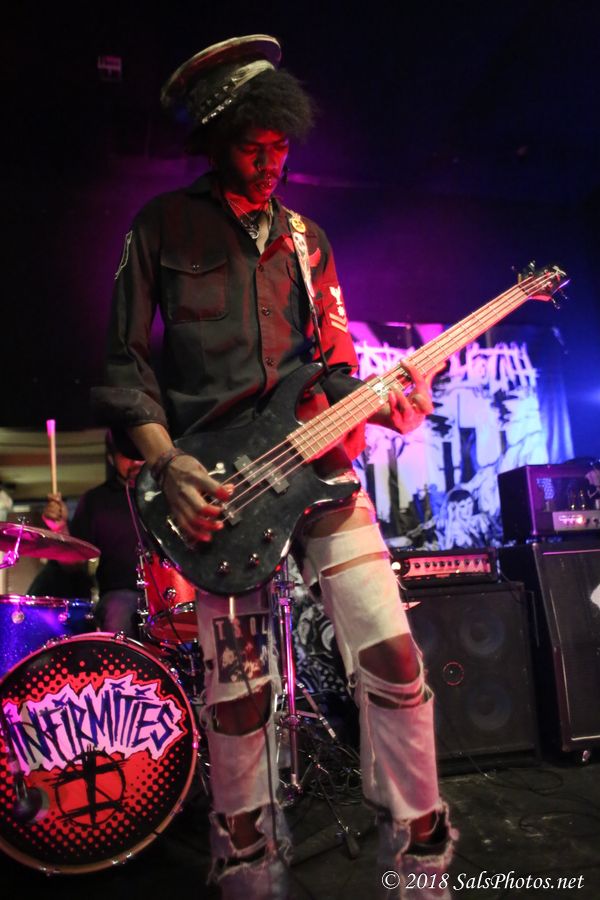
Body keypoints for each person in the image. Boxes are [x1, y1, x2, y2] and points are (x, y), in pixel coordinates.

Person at [92, 35, 455, 899]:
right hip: (217, 489)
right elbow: (123, 367)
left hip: (319, 470)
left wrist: (389, 405)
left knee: (395, 658)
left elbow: (335, 369)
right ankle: (247, 865)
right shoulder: (159, 227)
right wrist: (169, 464)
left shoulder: (307, 239)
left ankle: (423, 851)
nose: (272, 163)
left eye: (281, 147)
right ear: (217, 142)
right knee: (239, 693)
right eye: (254, 148)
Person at [34, 431, 144, 636]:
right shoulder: (96, 500)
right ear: (111, 458)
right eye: (126, 454)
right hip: (121, 595)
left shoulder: (167, 493)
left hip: (173, 593)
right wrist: (60, 529)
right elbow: (74, 563)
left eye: (140, 453)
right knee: (119, 611)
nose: (136, 461)